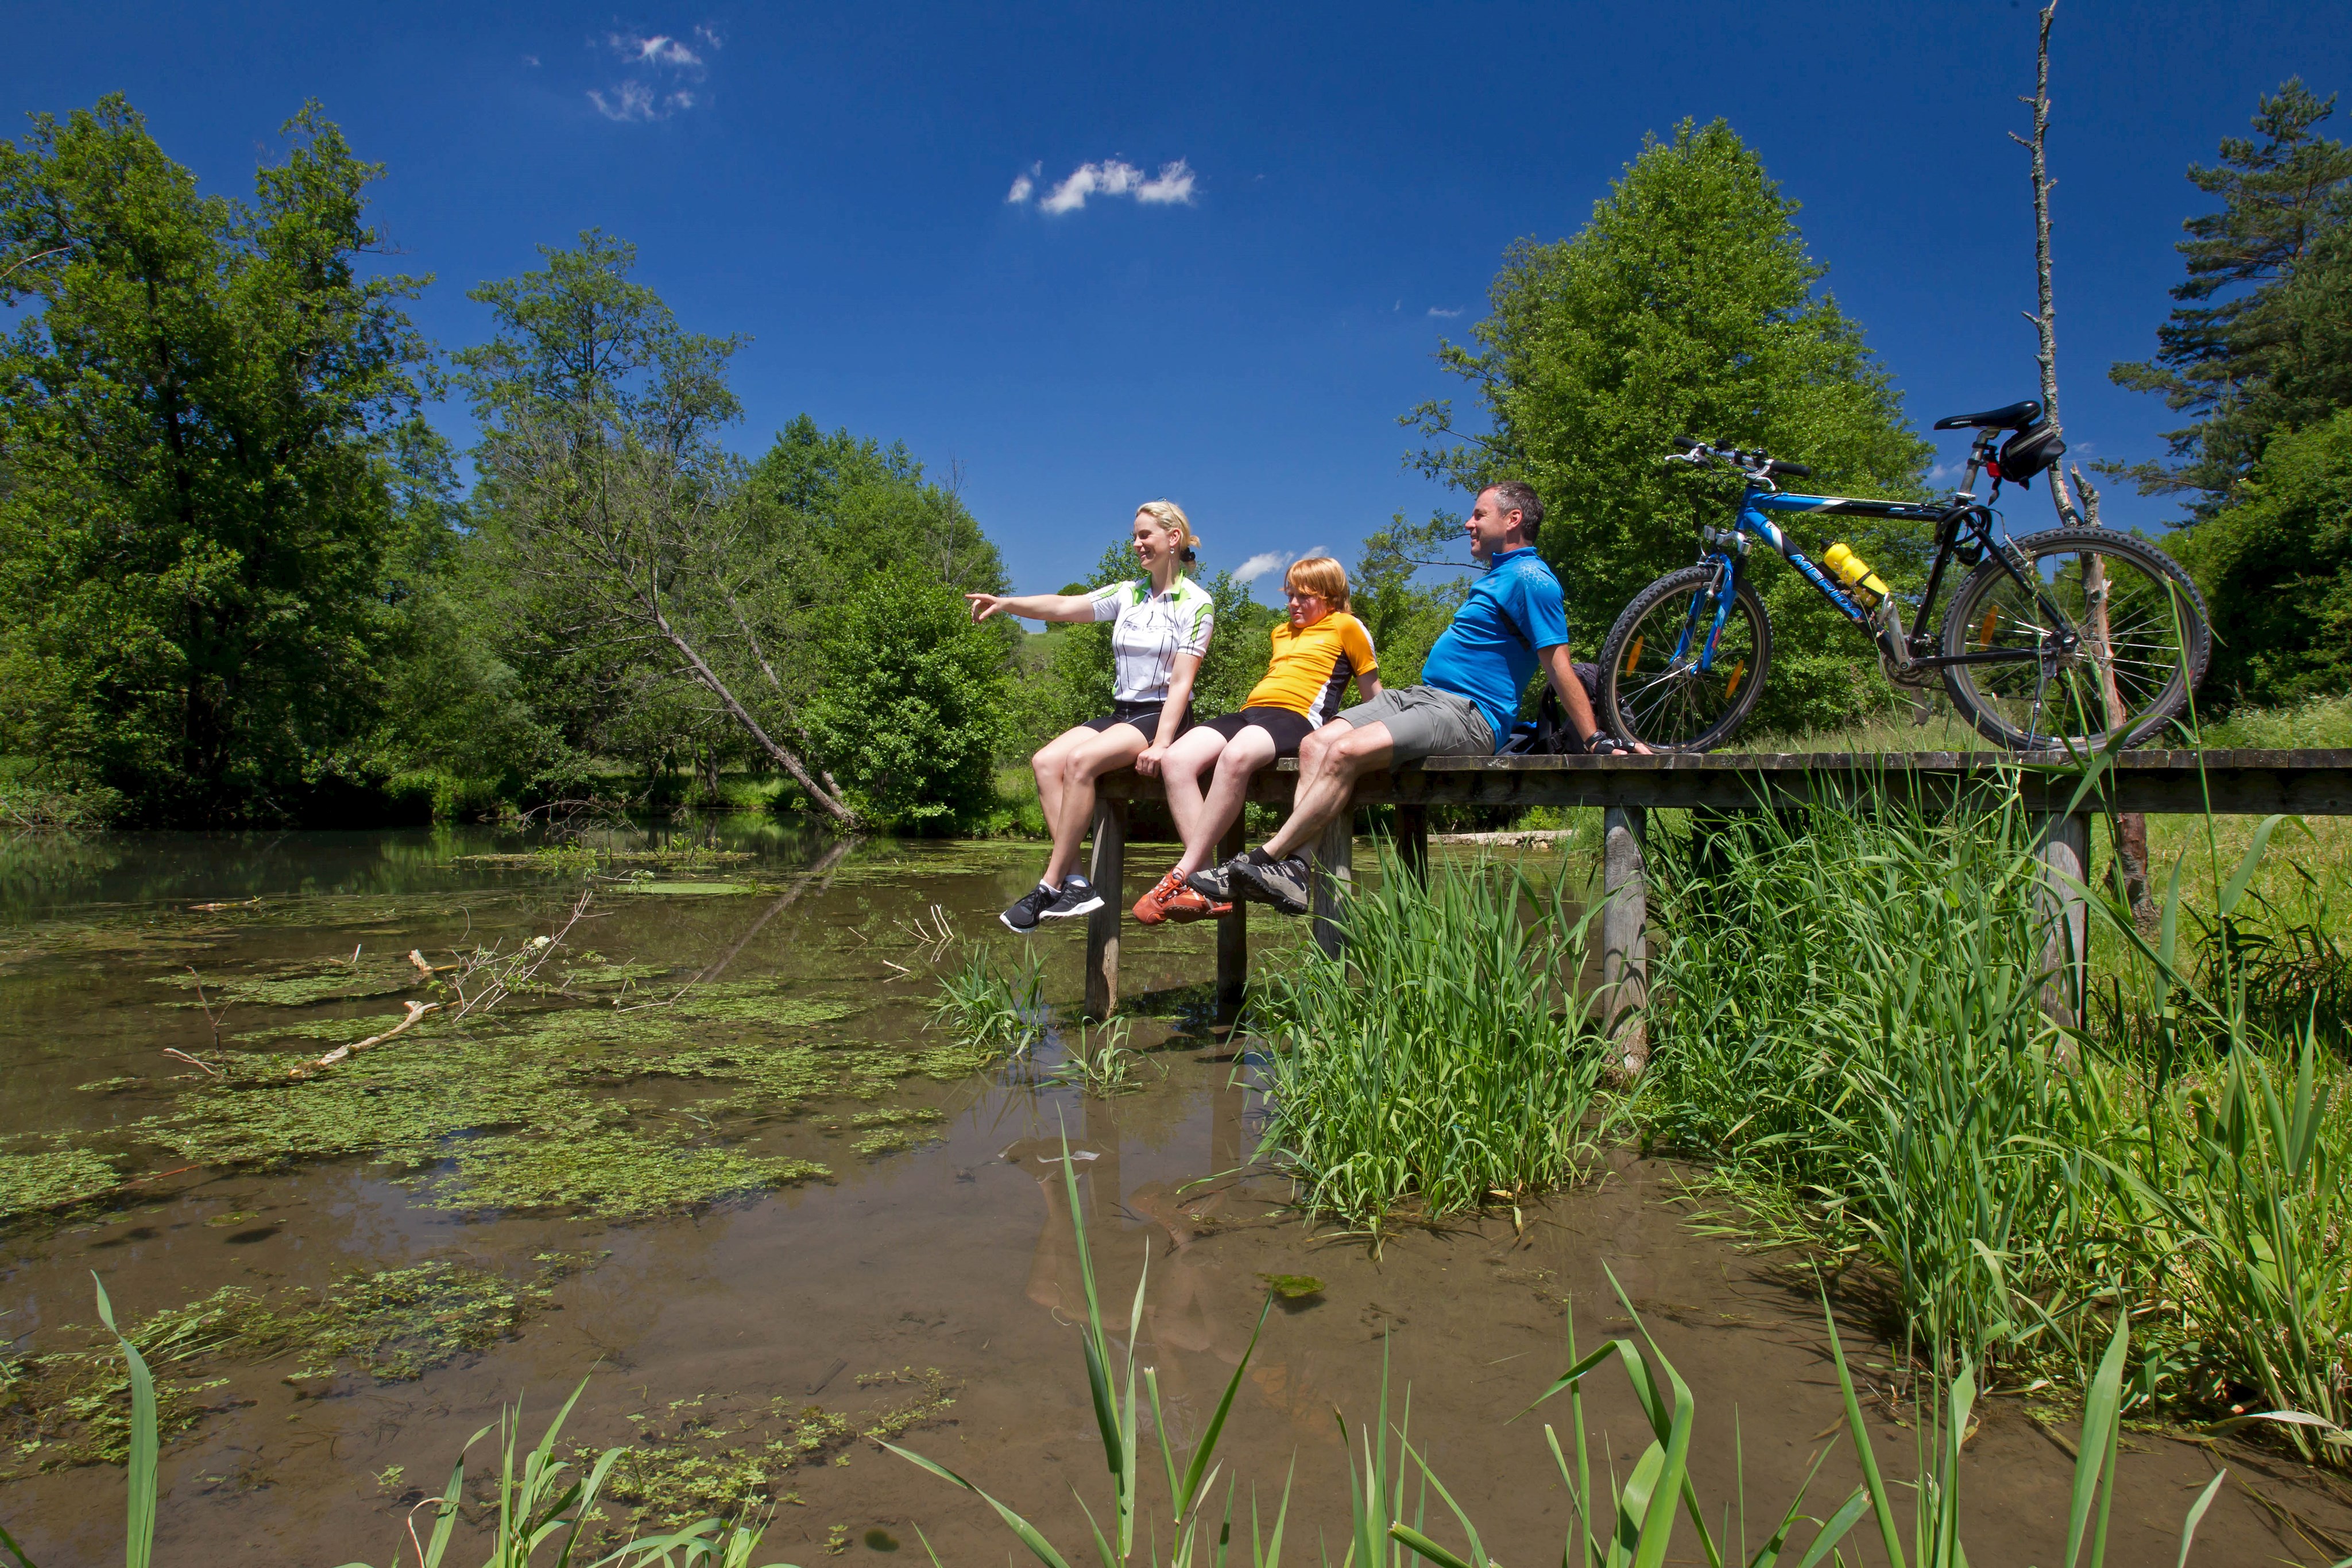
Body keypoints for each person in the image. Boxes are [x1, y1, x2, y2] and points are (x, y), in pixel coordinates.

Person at [1189, 481, 1643, 916]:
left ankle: (1259, 859)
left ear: (1513, 519)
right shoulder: (1500, 575)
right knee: (1316, 744)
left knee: (1345, 752)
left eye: (1479, 514)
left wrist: (1599, 738)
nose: (1468, 523)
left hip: (1468, 714)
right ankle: (1295, 870)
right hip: (1421, 697)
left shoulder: (1531, 578)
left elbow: (1558, 664)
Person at [968, 501, 1214, 932]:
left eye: (1145, 535)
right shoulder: (1129, 593)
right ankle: (1078, 881)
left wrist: (1161, 745)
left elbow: (1180, 683)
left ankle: (1049, 884)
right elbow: (1064, 607)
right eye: (1135, 535)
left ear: (1173, 539)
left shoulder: (1196, 602)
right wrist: (1007, 603)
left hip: (1161, 716)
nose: (1136, 543)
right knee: (1045, 762)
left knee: (1080, 762)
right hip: (1123, 712)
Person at [1131, 556, 1380, 925]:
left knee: (1237, 756)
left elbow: (1373, 698)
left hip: (1298, 718)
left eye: (1305, 596)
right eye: (1290, 595)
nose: (1294, 603)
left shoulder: (1348, 626)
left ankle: (1183, 874)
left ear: (1330, 595)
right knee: (1177, 759)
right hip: (1251, 711)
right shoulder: (1280, 632)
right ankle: (1204, 885)